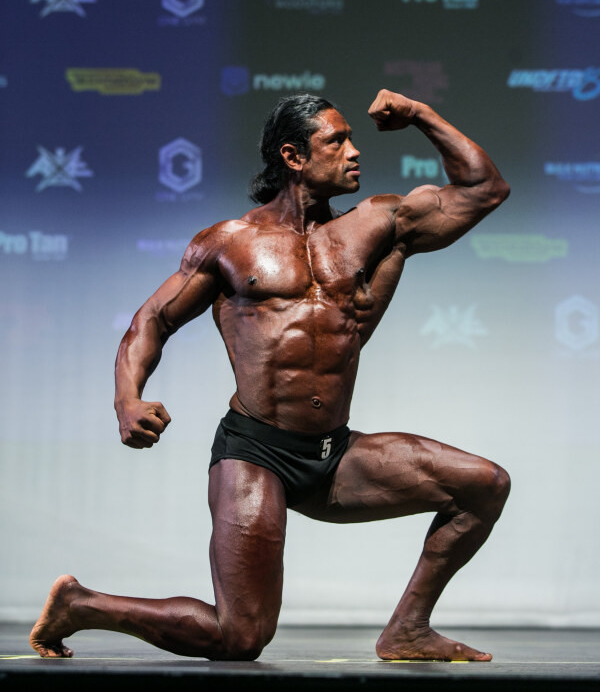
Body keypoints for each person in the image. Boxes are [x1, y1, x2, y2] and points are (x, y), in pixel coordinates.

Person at [30, 89, 511, 662]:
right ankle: (82, 605)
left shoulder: (381, 224)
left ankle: (407, 629)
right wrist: (127, 399)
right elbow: (154, 319)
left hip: (334, 454)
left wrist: (421, 115)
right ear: (293, 156)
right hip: (256, 454)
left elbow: (485, 189)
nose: (354, 151)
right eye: (337, 141)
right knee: (241, 637)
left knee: (484, 484)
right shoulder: (230, 243)